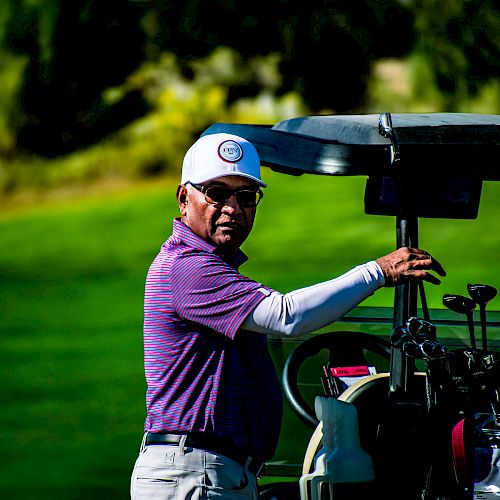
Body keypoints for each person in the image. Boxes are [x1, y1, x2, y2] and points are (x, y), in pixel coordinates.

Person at [130, 132, 446, 499]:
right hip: (195, 470)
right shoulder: (187, 267)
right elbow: (286, 316)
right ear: (184, 198)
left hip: (213, 469)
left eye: (245, 197)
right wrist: (377, 272)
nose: (232, 208)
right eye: (216, 193)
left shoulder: (210, 267)